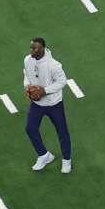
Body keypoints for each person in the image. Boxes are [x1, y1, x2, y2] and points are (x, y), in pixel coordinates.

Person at [23, 37, 72, 174]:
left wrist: (44, 91)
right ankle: (44, 155)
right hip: (37, 104)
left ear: (43, 48)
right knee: (30, 128)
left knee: (62, 132)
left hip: (54, 104)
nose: (32, 50)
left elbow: (62, 81)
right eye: (31, 47)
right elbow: (26, 74)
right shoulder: (28, 60)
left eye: (35, 48)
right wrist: (28, 87)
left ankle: (66, 160)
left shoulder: (54, 65)